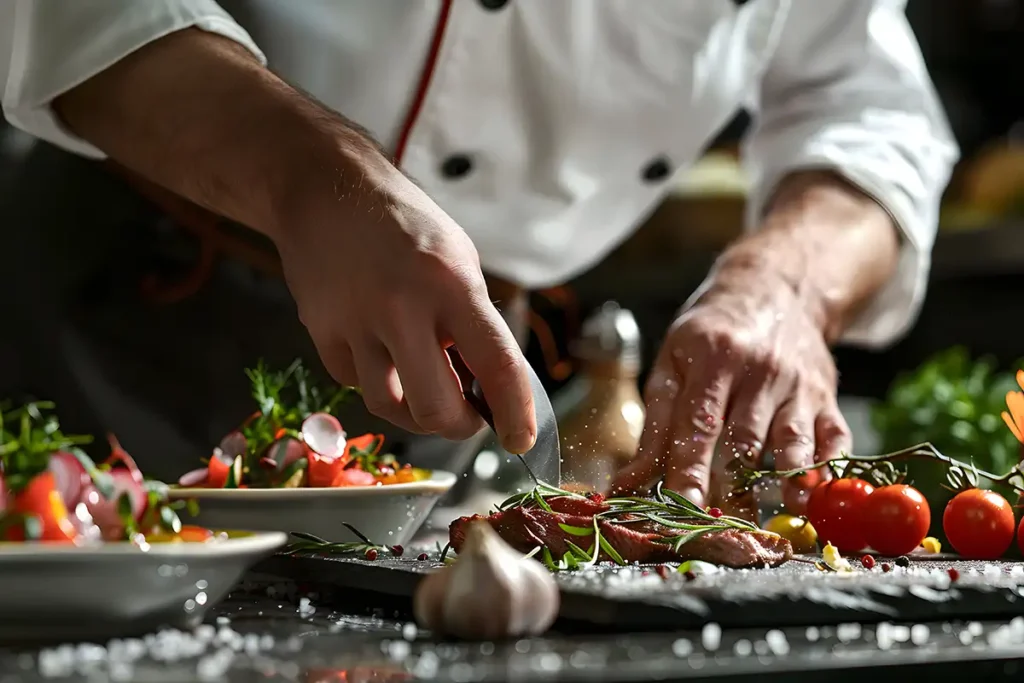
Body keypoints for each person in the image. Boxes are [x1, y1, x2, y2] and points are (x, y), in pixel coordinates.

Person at [0, 0, 956, 510]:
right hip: (118, 306)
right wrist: (313, 178)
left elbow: (871, 110)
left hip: (458, 393)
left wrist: (782, 283)